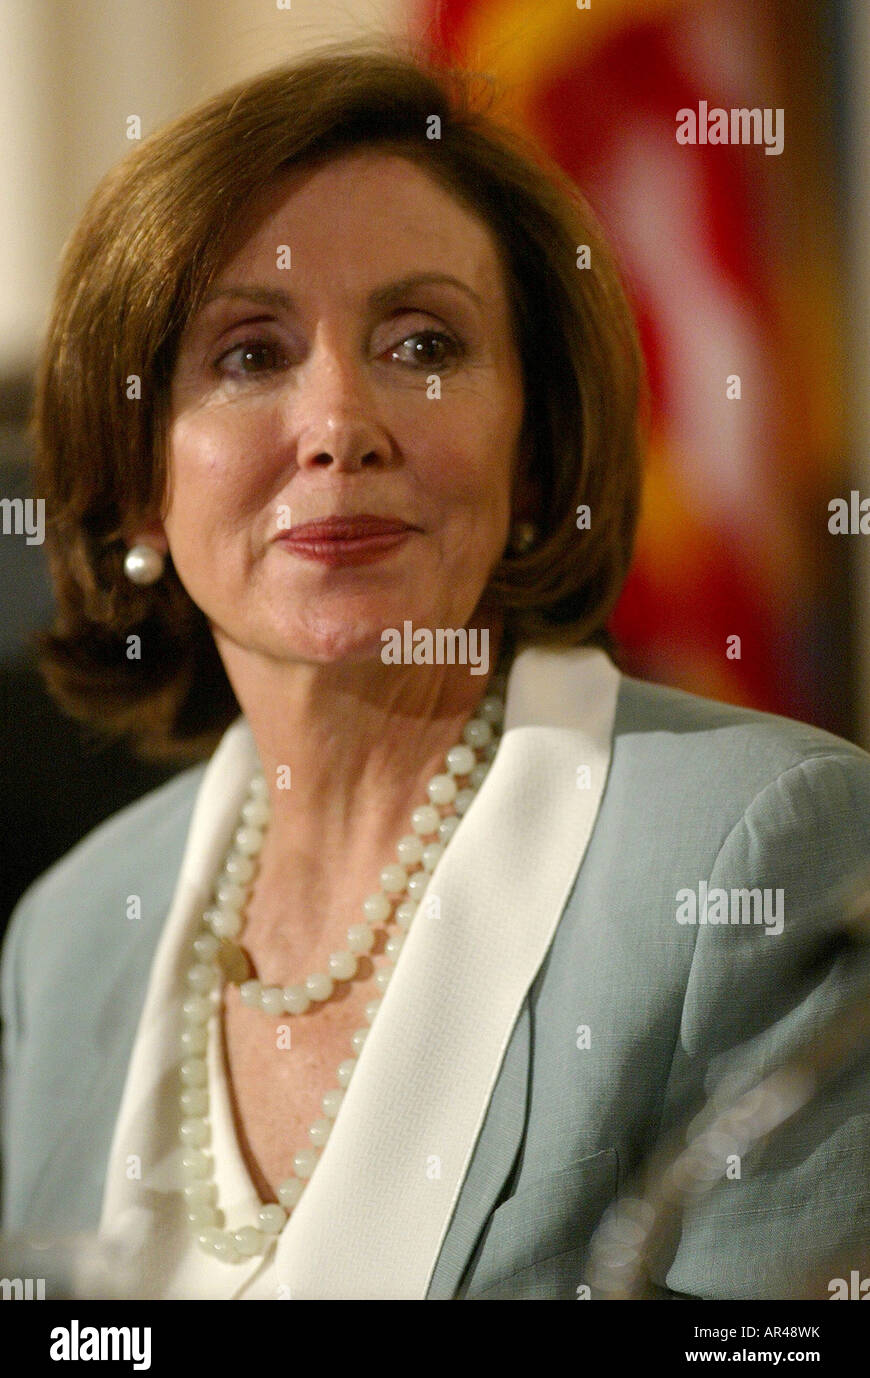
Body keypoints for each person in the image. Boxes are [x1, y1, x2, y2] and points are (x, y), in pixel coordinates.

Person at [1, 42, 868, 1301]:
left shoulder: (759, 852)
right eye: (249, 354)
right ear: (136, 485)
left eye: (423, 344)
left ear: (532, 453)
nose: (344, 426)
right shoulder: (69, 934)